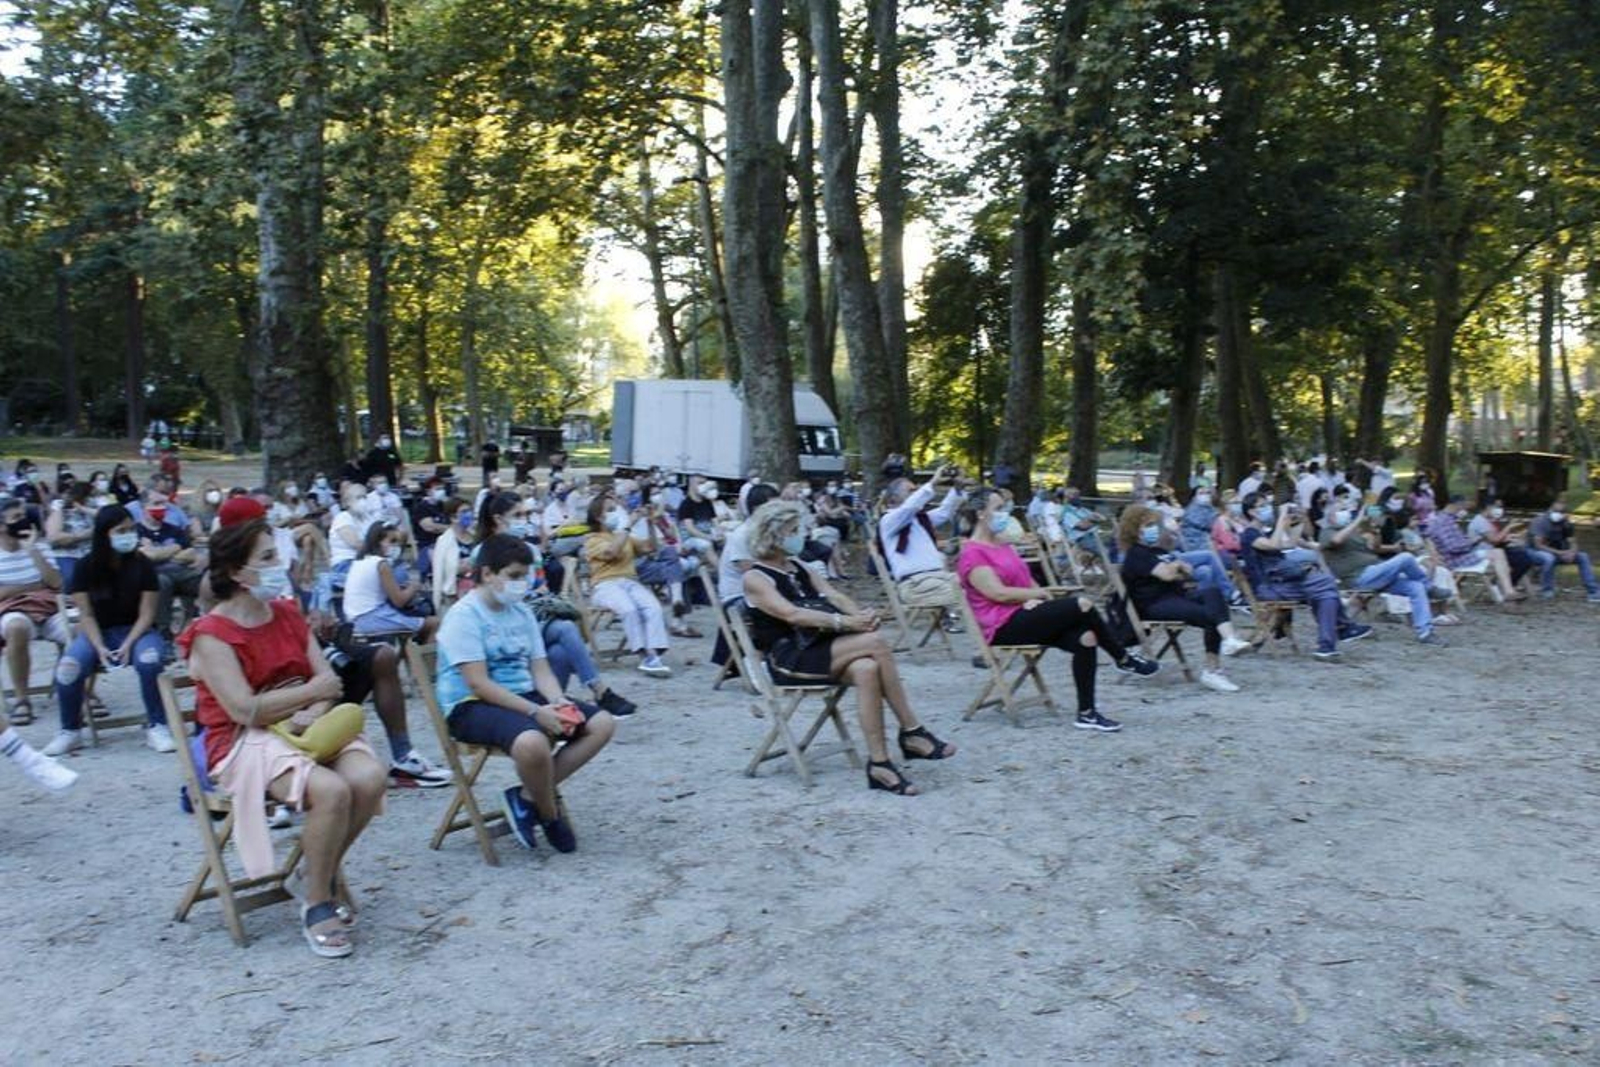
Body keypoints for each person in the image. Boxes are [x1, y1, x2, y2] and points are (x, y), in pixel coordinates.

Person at [181, 516, 387, 958]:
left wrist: (309, 705)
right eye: (269, 558)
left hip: (305, 725)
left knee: (369, 778)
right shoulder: (211, 634)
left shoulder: (289, 614)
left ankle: (312, 871)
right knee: (331, 791)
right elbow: (244, 710)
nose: (282, 565)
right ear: (237, 572)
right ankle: (317, 900)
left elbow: (329, 680)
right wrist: (310, 694)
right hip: (240, 740)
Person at [742, 501, 955, 795]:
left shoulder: (799, 566)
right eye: (793, 531)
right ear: (773, 535)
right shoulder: (755, 577)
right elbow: (793, 614)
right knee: (877, 643)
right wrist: (847, 624)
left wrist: (860, 617)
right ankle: (912, 730)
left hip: (819, 646)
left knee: (866, 668)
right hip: (788, 657)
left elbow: (834, 595)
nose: (800, 536)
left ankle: (879, 765)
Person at [434, 534, 616, 852]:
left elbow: (540, 668)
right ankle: (548, 815)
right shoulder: (463, 616)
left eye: (524, 575)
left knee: (601, 724)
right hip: (470, 704)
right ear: (488, 573)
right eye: (514, 576)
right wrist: (536, 712)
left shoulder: (522, 613)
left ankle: (526, 798)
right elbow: (478, 683)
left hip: (521, 694)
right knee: (532, 742)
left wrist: (557, 700)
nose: (522, 583)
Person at [959, 488, 1157, 732]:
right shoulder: (972, 553)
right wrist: (1036, 595)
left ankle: (1087, 713)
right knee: (1082, 604)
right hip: (1002, 625)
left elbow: (1026, 579)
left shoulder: (1003, 544)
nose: (1005, 513)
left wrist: (1034, 597)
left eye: (1005, 507)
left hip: (1025, 614)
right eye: (998, 508)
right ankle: (1123, 657)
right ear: (980, 513)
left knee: (1087, 637)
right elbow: (997, 593)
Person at [44, 505, 172, 756]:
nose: (128, 535)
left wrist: (128, 644)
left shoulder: (142, 564)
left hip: (138, 631)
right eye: (120, 530)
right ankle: (70, 730)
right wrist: (100, 646)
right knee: (68, 669)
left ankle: (158, 725)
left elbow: (147, 613)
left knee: (150, 661)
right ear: (104, 534)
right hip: (98, 632)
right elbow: (87, 615)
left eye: (130, 529)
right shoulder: (85, 567)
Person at [1117, 505, 1249, 691]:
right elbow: (1167, 574)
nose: (1153, 528)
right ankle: (1213, 669)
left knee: (1212, 592)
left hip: (1175, 595)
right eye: (1148, 525)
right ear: (1135, 529)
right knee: (1212, 614)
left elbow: (1186, 573)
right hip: (1153, 604)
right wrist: (1178, 565)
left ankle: (1229, 640)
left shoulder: (1157, 551)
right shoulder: (1136, 554)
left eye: (1154, 524)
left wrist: (1179, 568)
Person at [1239, 492, 1369, 661]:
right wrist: (1281, 519)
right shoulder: (1249, 534)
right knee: (1326, 584)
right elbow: (1274, 545)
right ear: (1252, 512)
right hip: (1269, 587)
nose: (1268, 509)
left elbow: (1290, 544)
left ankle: (1327, 645)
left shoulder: (1263, 532)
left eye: (1267, 505)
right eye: (1262, 506)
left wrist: (1299, 521)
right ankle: (1339, 630)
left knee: (1326, 592)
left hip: (1283, 582)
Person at [1318, 501, 1447, 646]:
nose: (1345, 512)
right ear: (1330, 516)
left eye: (1346, 509)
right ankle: (1430, 588)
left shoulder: (1354, 532)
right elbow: (1336, 540)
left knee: (1416, 587)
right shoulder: (1327, 531)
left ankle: (1425, 633)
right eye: (1341, 510)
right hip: (1360, 577)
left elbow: (1374, 547)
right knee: (1406, 558)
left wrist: (1375, 527)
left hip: (1377, 572)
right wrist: (1358, 519)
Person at [582, 492, 673, 676]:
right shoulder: (592, 539)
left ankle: (654, 653)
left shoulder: (623, 536)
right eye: (610, 510)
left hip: (629, 581)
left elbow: (652, 548)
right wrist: (629, 524)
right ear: (598, 517)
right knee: (629, 609)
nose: (616, 513)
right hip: (604, 584)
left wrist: (649, 522)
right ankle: (645, 655)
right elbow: (612, 553)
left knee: (653, 607)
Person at [0, 496, 69, 725]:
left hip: (48, 610)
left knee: (79, 631)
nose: (24, 521)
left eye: (24, 515)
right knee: (16, 627)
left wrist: (33, 551)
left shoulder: (39, 546)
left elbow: (57, 583)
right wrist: (32, 587)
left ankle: (81, 693)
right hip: (13, 612)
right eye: (16, 517)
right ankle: (22, 699)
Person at [876, 465, 962, 610]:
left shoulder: (920, 519)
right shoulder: (888, 521)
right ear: (894, 498)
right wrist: (933, 482)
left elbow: (945, 512)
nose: (916, 493)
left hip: (939, 578)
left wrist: (958, 488)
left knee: (980, 582)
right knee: (972, 595)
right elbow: (910, 507)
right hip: (915, 584)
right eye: (911, 491)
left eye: (916, 490)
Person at [342, 522, 440, 642]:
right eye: (392, 541)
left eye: (397, 542)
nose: (396, 546)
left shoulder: (360, 561)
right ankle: (427, 659)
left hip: (356, 618)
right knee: (435, 623)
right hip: (372, 617)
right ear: (378, 541)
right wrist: (414, 586)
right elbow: (399, 601)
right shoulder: (381, 564)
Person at [1424, 496, 1520, 601]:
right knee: (1499, 555)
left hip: (1459, 555)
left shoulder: (1445, 520)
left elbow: (1428, 535)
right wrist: (1473, 542)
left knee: (1499, 555)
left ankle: (1507, 592)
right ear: (1457, 505)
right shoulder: (1444, 522)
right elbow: (1453, 547)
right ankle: (1508, 592)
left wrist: (1472, 542)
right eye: (1464, 507)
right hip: (1456, 559)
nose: (1464, 510)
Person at [1528, 498, 1600, 602]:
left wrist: (1572, 552)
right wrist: (1561, 553)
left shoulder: (1566, 523)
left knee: (1583, 556)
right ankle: (1547, 590)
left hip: (1559, 552)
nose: (1559, 514)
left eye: (1562, 512)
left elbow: (1573, 541)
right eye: (1557, 511)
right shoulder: (1540, 521)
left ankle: (1593, 591)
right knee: (1548, 558)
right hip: (1535, 552)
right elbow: (1538, 545)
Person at [1467, 498, 1539, 591]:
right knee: (1523, 560)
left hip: (1497, 550)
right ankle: (1507, 585)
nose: (1500, 509)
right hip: (1487, 554)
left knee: (1524, 556)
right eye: (1497, 507)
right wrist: (1509, 527)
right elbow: (1495, 540)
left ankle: (1509, 584)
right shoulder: (1480, 521)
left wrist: (1510, 538)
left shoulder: (1490, 521)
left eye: (1501, 507)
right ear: (1488, 507)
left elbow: (1497, 537)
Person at [44, 481, 96, 588]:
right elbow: (54, 537)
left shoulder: (92, 508)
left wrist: (83, 509)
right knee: (72, 579)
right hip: (68, 553)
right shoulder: (60, 508)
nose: (93, 499)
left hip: (90, 551)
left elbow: (106, 516)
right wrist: (82, 535)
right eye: (91, 496)